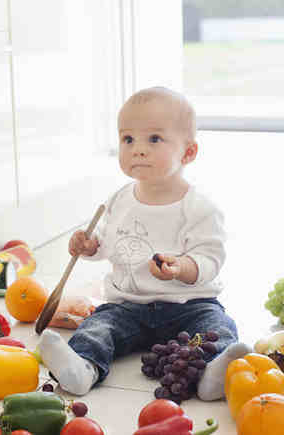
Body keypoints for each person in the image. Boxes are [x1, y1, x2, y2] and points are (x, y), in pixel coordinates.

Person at [38, 86, 251, 400]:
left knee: (216, 327)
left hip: (189, 306)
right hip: (128, 306)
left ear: (188, 152)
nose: (137, 149)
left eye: (154, 139)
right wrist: (90, 246)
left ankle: (211, 374)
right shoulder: (120, 199)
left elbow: (209, 259)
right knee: (98, 327)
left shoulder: (199, 208)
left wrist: (181, 267)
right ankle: (83, 367)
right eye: (128, 139)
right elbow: (109, 243)